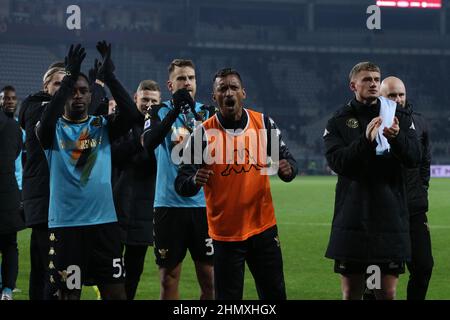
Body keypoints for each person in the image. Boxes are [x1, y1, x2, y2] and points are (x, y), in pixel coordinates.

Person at [175, 68, 297, 300]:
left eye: (233, 87)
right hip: (225, 235)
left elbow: (288, 161)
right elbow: (181, 182)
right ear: (215, 97)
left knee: (274, 294)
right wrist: (193, 180)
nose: (228, 92)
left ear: (243, 93)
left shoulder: (262, 124)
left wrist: (288, 170)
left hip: (263, 228)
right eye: (222, 89)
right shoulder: (202, 134)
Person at [36, 42, 140, 300]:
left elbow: (131, 114)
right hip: (67, 228)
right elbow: (48, 118)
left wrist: (110, 77)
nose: (78, 96)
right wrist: (69, 77)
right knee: (67, 296)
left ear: (91, 96)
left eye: (84, 91)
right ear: (64, 95)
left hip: (104, 226)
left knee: (116, 294)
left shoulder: (100, 126)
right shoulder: (51, 130)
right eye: (73, 91)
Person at [323, 62, 421, 300]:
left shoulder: (398, 114)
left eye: (377, 79)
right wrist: (365, 141)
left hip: (389, 216)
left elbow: (414, 157)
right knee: (351, 293)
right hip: (353, 216)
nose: (374, 83)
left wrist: (397, 138)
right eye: (367, 79)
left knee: (386, 293)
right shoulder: (339, 120)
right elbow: (338, 163)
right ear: (353, 85)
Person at [141, 59, 215, 300]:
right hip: (168, 206)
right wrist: (174, 110)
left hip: (204, 206)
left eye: (191, 78)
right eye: (181, 78)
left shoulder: (208, 112)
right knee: (168, 278)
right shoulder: (157, 111)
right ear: (170, 85)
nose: (187, 83)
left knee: (210, 279)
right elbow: (149, 143)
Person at [380, 76, 433, 300]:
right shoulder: (372, 123)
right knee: (379, 274)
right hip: (382, 211)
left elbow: (425, 164)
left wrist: (420, 191)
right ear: (381, 97)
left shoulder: (419, 122)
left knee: (423, 268)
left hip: (413, 208)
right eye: (392, 95)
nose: (398, 99)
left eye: (401, 94)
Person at [112, 80, 161, 299]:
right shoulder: (120, 124)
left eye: (153, 101)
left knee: (134, 273)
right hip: (115, 208)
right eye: (145, 99)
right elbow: (113, 156)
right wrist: (138, 144)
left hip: (144, 212)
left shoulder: (162, 130)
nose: (149, 105)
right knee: (111, 274)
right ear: (135, 98)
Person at [0, 88, 24, 300]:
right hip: (10, 192)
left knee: (9, 244)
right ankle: (7, 290)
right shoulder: (16, 128)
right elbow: (17, 153)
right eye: (5, 98)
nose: (9, 101)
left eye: (12, 98)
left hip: (10, 192)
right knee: (10, 244)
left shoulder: (16, 127)